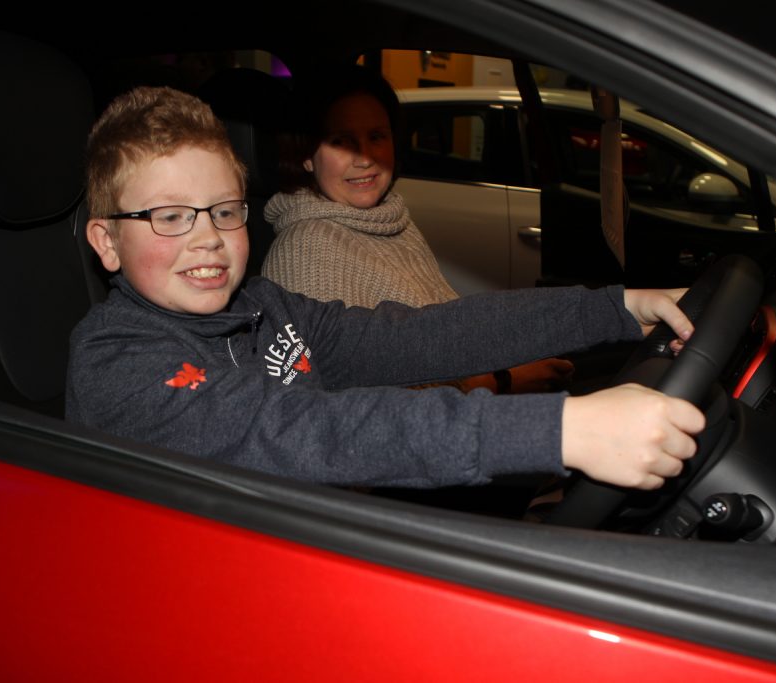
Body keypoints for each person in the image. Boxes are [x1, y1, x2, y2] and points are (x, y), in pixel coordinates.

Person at [66, 85, 704, 494]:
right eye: (170, 216)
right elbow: (306, 430)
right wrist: (562, 429)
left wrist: (616, 307)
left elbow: (420, 334)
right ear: (107, 242)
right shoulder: (117, 361)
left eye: (225, 210)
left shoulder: (264, 307)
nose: (207, 237)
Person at [262, 65, 571, 394]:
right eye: (341, 141)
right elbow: (356, 404)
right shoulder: (305, 250)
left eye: (376, 137)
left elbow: (443, 332)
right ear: (307, 156)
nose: (364, 157)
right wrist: (501, 381)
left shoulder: (392, 221)